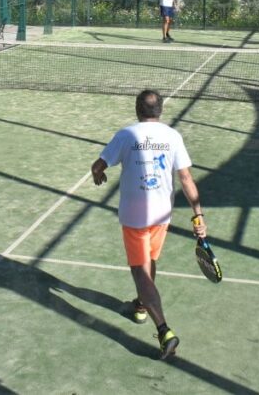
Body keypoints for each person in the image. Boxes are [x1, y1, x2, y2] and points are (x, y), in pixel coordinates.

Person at [91, 89, 207, 360]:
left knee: (139, 272)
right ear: (161, 110)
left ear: (137, 109)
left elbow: (98, 165)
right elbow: (187, 179)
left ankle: (164, 330)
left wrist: (98, 175)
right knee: (149, 262)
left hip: (134, 217)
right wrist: (198, 215)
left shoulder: (126, 135)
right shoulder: (173, 136)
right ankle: (141, 306)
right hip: (161, 216)